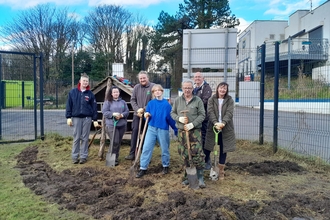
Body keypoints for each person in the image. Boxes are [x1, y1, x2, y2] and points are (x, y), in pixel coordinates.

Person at [136, 84, 178, 178]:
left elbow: (170, 119)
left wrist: (175, 129)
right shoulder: (151, 103)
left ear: (162, 92)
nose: (157, 92)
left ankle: (165, 166)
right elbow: (147, 116)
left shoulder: (167, 105)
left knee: (164, 148)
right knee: (146, 147)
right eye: (155, 91)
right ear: (153, 93)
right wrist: (146, 115)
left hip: (163, 129)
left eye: (159, 90)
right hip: (151, 128)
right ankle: (143, 167)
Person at [171, 79, 206, 188]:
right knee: (185, 154)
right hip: (182, 132)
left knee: (198, 154)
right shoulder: (177, 100)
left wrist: (192, 124)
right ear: (182, 88)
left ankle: (200, 177)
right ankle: (187, 176)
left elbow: (202, 115)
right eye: (185, 88)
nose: (187, 90)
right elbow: (172, 113)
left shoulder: (197, 100)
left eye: (189, 88)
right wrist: (179, 119)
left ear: (193, 89)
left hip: (194, 132)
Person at [204, 82, 236, 180]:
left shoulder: (230, 100)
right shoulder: (211, 99)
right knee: (208, 147)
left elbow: (230, 113)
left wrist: (223, 123)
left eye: (225, 89)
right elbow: (210, 112)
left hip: (225, 128)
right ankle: (205, 167)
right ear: (218, 89)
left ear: (226, 90)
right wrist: (215, 123)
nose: (222, 90)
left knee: (223, 148)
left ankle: (221, 170)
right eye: (221, 88)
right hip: (213, 127)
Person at [66, 73, 99, 164]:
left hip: (87, 119)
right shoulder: (73, 93)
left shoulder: (90, 94)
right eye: (84, 81)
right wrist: (68, 117)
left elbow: (94, 107)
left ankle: (83, 156)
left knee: (85, 138)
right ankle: (75, 156)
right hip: (76, 118)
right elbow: (69, 105)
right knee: (76, 138)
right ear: (80, 81)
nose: (85, 82)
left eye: (87, 81)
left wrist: (95, 119)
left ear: (88, 83)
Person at [125, 71, 155, 160]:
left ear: (147, 78)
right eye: (141, 78)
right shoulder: (136, 87)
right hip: (137, 114)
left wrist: (144, 109)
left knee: (146, 134)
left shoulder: (152, 87)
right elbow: (132, 100)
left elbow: (153, 101)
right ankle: (132, 153)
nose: (142, 80)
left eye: (144, 78)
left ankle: (144, 154)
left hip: (148, 115)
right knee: (135, 132)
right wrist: (138, 109)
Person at [102, 86, 129, 166]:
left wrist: (121, 115)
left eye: (117, 92)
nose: (115, 93)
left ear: (119, 93)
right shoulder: (108, 102)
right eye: (114, 92)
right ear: (111, 93)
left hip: (122, 125)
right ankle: (110, 161)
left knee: (118, 142)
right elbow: (104, 112)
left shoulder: (123, 102)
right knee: (114, 141)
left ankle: (115, 158)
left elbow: (127, 111)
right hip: (111, 125)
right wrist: (112, 114)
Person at [192, 72, 212, 170]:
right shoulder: (194, 88)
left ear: (203, 78)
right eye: (196, 77)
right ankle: (198, 159)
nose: (197, 78)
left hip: (204, 119)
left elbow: (205, 101)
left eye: (199, 77)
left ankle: (207, 160)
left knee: (204, 140)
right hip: (194, 119)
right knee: (196, 140)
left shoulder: (206, 88)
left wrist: (194, 106)